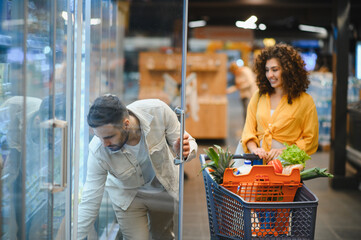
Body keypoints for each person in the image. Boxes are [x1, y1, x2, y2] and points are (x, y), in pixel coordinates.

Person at [77, 95, 198, 240]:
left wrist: (185, 150)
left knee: (163, 236)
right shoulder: (98, 151)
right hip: (127, 197)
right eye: (99, 137)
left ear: (126, 124)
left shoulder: (157, 111)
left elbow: (187, 142)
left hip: (161, 188)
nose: (104, 144)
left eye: (109, 137)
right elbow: (89, 201)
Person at [240, 44, 319, 164]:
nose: (269, 75)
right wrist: (255, 150)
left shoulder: (305, 101)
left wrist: (284, 151)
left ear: (288, 70)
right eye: (267, 70)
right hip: (257, 163)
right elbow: (248, 131)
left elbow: (310, 140)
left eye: (275, 70)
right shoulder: (259, 96)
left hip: (286, 165)